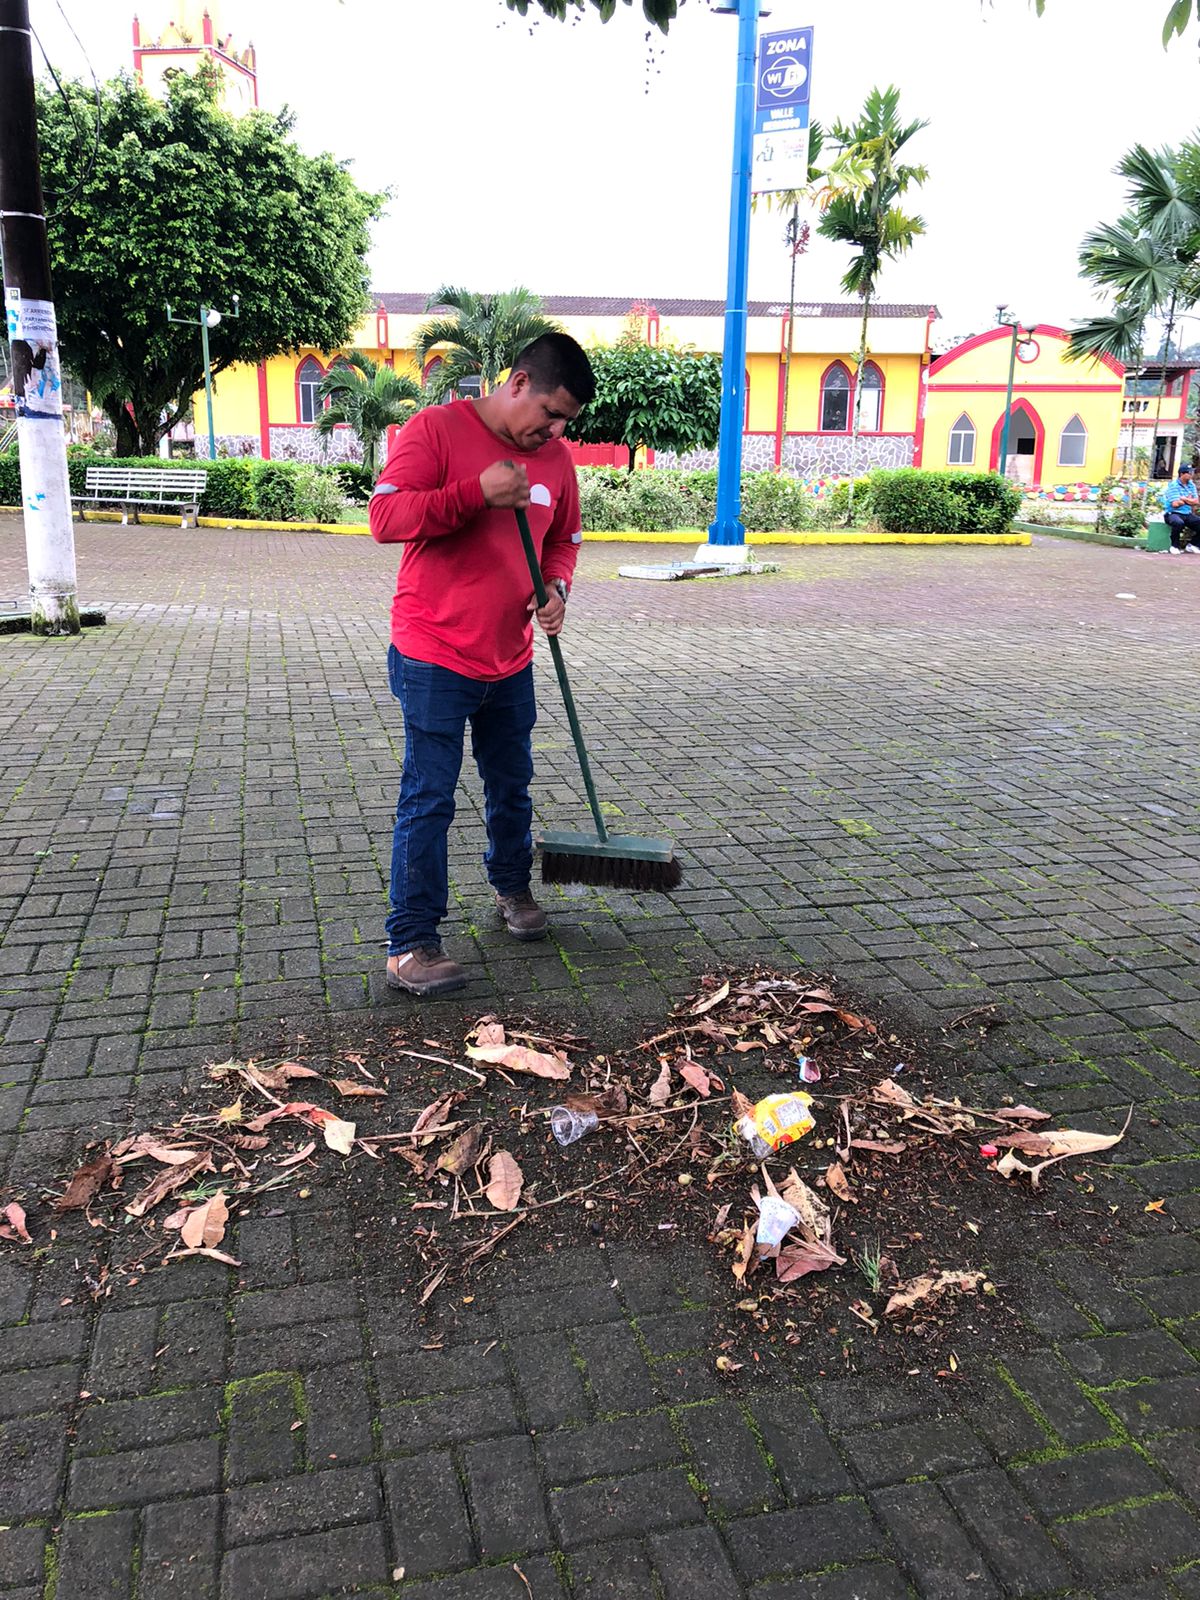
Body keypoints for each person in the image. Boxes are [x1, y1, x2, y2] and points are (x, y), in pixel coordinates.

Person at [369, 332, 595, 996]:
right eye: (550, 413)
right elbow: (384, 517)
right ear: (518, 383)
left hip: (510, 657)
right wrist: (476, 493)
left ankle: (511, 887)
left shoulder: (556, 460)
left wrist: (555, 588)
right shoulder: (436, 430)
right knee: (429, 799)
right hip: (433, 654)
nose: (555, 431)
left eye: (565, 422)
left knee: (512, 783)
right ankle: (409, 945)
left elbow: (564, 541)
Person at [1162, 465, 1200, 553]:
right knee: (1178, 523)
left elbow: (1196, 502)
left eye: (1192, 472)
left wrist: (1184, 499)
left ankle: (1193, 545)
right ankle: (1174, 546)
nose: (1191, 474)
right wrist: (1189, 500)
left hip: (1187, 513)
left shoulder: (1191, 485)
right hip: (1172, 513)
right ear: (1182, 474)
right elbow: (1175, 504)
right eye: (1189, 472)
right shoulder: (1173, 485)